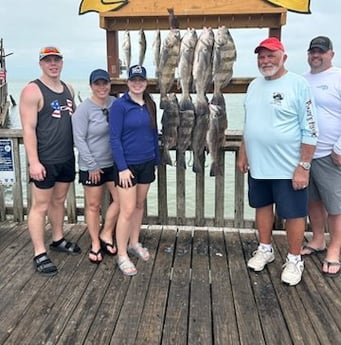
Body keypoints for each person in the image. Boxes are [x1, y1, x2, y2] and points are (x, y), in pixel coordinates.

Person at [237, 37, 318, 286]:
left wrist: (303, 166)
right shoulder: (253, 86)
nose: (265, 60)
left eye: (271, 55)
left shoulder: (298, 84)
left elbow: (311, 128)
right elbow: (249, 124)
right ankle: (265, 248)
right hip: (258, 165)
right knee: (262, 206)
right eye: (261, 56)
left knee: (294, 214)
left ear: (283, 56)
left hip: (288, 167)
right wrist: (243, 151)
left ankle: (294, 259)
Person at [19, 46, 81, 276]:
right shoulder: (32, 90)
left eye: (56, 60)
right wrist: (34, 162)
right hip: (44, 160)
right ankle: (39, 252)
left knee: (59, 200)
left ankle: (57, 238)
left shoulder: (69, 89)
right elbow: (28, 129)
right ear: (41, 64)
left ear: (62, 62)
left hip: (66, 157)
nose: (53, 64)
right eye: (48, 61)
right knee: (39, 206)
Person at [109, 65, 160, 276]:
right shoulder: (119, 106)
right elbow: (114, 138)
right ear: (128, 82)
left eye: (141, 80)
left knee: (139, 205)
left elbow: (153, 132)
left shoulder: (150, 103)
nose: (137, 83)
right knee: (127, 209)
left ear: (146, 82)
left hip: (147, 162)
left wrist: (156, 159)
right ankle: (122, 254)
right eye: (133, 80)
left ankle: (134, 242)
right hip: (126, 167)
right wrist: (121, 167)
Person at [300, 36, 341, 277]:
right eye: (312, 51)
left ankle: (335, 248)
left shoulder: (338, 77)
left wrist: (340, 148)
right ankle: (317, 239)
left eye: (320, 52)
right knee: (312, 201)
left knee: (335, 206)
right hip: (307, 154)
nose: (316, 55)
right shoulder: (302, 80)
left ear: (331, 54)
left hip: (330, 154)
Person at [72, 69, 120, 264]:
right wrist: (91, 165)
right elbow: (79, 139)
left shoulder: (116, 104)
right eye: (97, 84)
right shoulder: (83, 110)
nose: (102, 87)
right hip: (91, 166)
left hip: (114, 164)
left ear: (110, 84)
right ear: (91, 86)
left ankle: (106, 233)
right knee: (93, 205)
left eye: (105, 83)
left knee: (122, 201)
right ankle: (94, 243)